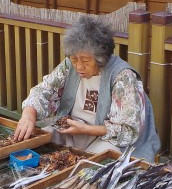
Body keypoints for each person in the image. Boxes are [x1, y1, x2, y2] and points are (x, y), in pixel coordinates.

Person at [13, 16, 161, 162]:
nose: (79, 66)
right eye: (74, 59)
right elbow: (45, 89)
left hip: (106, 138)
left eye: (85, 60)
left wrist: (85, 129)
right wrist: (28, 115)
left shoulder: (123, 76)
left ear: (100, 57)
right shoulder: (69, 65)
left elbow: (128, 130)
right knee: (36, 146)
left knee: (94, 164)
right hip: (72, 129)